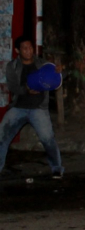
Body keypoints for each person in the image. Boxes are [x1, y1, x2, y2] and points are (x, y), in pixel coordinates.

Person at [0, 36, 64, 179]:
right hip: (18, 107)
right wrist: (26, 89)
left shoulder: (42, 64)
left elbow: (54, 81)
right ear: (17, 50)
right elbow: (12, 87)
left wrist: (58, 72)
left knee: (48, 139)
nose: (29, 51)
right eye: (24, 48)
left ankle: (57, 168)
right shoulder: (12, 66)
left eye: (30, 47)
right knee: (2, 136)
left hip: (38, 108)